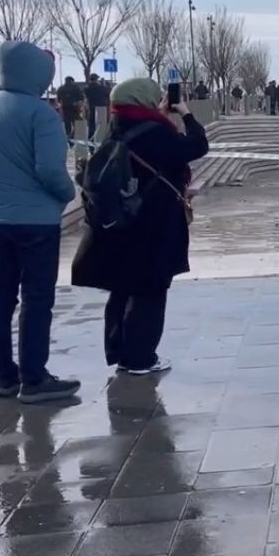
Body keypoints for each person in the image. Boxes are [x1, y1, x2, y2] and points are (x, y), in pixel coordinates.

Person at [0, 41, 81, 403]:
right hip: (38, 222)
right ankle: (34, 378)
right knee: (36, 297)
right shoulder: (41, 114)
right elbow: (50, 169)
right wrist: (66, 193)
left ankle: (3, 377)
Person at [71, 78, 209, 374]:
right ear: (143, 100)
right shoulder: (154, 130)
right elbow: (197, 145)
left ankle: (120, 353)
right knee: (150, 289)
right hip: (152, 222)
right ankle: (141, 358)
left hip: (123, 220)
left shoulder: (116, 125)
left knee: (123, 287)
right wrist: (184, 113)